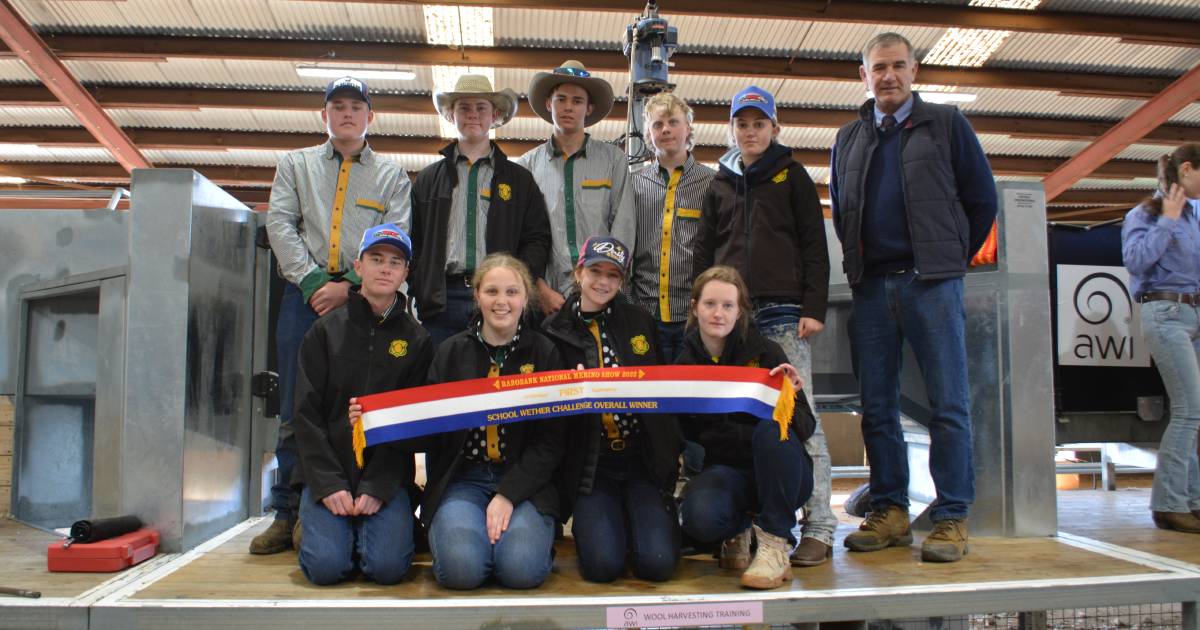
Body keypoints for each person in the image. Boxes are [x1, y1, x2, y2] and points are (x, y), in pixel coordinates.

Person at [830, 32, 997, 562]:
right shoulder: (849, 139)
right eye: (878, 67)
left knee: (949, 406)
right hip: (873, 289)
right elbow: (841, 205)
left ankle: (951, 517)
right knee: (876, 408)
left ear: (914, 70)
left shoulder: (947, 125)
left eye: (898, 65)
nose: (889, 76)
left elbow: (981, 200)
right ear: (864, 75)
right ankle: (891, 510)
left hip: (932, 285)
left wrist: (946, 257)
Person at [259, 76, 412, 555]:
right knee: (293, 407)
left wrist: (347, 287)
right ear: (323, 116)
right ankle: (286, 513)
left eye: (356, 107)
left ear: (371, 117)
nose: (347, 113)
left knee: (354, 405)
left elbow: (398, 233)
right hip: (302, 301)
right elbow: (279, 223)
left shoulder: (393, 176)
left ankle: (335, 506)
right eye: (337, 106)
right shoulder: (295, 165)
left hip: (361, 303)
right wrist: (311, 284)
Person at [693, 85, 836, 568]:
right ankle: (744, 523)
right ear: (731, 129)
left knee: (796, 418)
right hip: (731, 320)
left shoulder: (793, 177)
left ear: (774, 128)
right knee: (736, 421)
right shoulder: (721, 183)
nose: (750, 131)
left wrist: (812, 305)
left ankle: (817, 526)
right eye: (742, 123)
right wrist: (705, 305)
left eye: (759, 123)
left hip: (783, 315)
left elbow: (815, 245)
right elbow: (704, 249)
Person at [292, 223, 432, 585]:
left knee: (387, 569)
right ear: (358, 266)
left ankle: (384, 526)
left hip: (384, 477)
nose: (385, 268)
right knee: (325, 569)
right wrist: (328, 484)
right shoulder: (324, 332)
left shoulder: (417, 341)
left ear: (405, 273)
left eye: (395, 262)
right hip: (330, 473)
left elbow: (412, 424)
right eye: (376, 259)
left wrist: (378, 486)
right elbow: (305, 416)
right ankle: (312, 519)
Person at [542, 236, 682, 583]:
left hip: (639, 461)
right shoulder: (552, 331)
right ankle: (613, 522)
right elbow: (544, 416)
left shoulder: (639, 321)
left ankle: (647, 520)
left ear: (622, 281)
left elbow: (661, 392)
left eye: (613, 275)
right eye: (595, 271)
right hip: (593, 466)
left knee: (659, 564)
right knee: (602, 566)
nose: (603, 282)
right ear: (579, 272)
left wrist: (666, 459)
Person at [677, 266, 816, 590]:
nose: (718, 313)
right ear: (695, 308)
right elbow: (685, 434)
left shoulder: (767, 352)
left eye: (728, 305)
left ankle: (774, 544)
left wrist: (790, 400)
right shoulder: (684, 365)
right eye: (710, 304)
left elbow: (806, 429)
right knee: (699, 517)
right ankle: (738, 529)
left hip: (783, 472)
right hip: (728, 472)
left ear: (740, 311)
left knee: (770, 429)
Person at [411, 73, 552, 347]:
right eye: (464, 107)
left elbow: (537, 239)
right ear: (451, 115)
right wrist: (421, 283)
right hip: (442, 300)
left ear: (494, 114)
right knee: (442, 382)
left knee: (496, 383)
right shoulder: (428, 180)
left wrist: (514, 283)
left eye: (481, 108)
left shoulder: (519, 180)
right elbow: (414, 241)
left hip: (500, 301)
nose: (472, 114)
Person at [517, 60, 636, 318]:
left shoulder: (613, 160)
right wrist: (540, 290)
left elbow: (623, 226)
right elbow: (523, 236)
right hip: (548, 298)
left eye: (577, 100)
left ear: (589, 108)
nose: (568, 107)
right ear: (549, 104)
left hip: (601, 293)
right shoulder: (527, 167)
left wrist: (605, 283)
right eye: (561, 99)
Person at [1122, 145, 1200, 534]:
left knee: (1193, 413)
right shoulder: (1145, 215)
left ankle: (1192, 499)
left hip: (1193, 314)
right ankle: (1169, 504)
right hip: (1164, 312)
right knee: (1189, 410)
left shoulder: (1194, 218)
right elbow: (1136, 262)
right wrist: (1167, 221)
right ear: (1186, 170)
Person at [630, 93, 717, 362]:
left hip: (691, 315)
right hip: (644, 313)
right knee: (645, 398)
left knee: (690, 397)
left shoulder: (712, 183)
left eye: (673, 122)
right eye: (657, 125)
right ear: (648, 133)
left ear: (688, 128)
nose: (665, 129)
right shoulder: (633, 184)